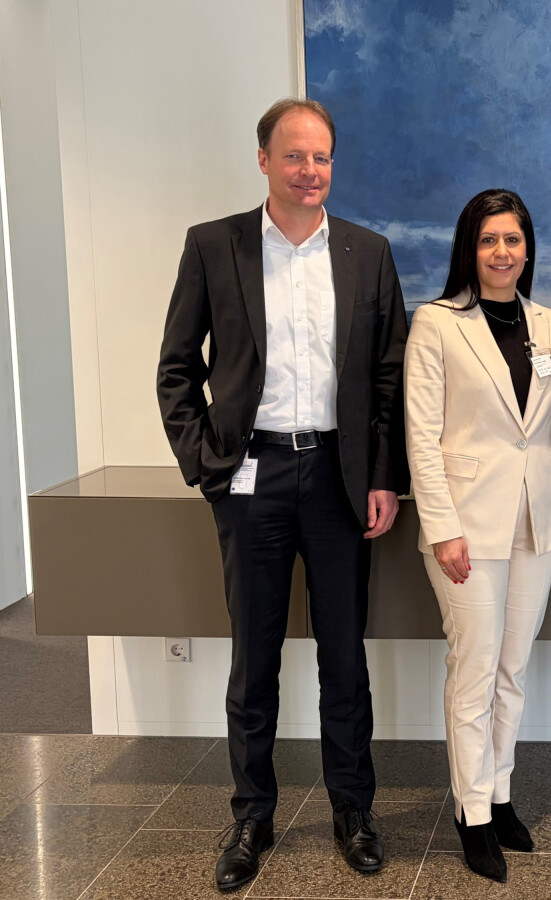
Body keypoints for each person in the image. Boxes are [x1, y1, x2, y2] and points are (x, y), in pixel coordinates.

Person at [157, 98, 407, 890]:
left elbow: (389, 378)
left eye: (322, 157)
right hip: (251, 479)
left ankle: (353, 811)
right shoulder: (214, 245)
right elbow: (176, 369)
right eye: (295, 155)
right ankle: (252, 816)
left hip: (338, 480)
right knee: (253, 658)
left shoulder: (368, 252)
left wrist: (383, 477)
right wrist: (206, 464)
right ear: (263, 159)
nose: (310, 171)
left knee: (345, 659)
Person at [405, 189, 551, 883]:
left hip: (536, 520)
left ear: (528, 249)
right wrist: (442, 527)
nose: (502, 252)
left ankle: (500, 792)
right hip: (466, 528)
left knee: (513, 669)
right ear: (469, 248)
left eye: (513, 239)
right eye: (489, 240)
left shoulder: (549, 324)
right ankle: (471, 811)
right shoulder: (437, 323)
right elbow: (422, 436)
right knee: (475, 670)